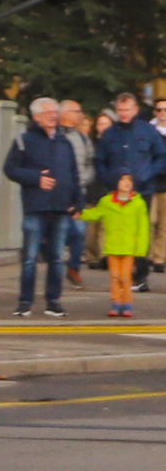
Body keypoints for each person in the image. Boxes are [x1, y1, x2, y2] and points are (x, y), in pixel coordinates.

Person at [5, 97, 79, 317]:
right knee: (30, 257)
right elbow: (10, 169)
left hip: (61, 207)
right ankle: (25, 302)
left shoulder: (64, 142)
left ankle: (53, 301)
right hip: (35, 207)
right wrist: (35, 178)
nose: (53, 117)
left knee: (57, 257)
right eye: (48, 113)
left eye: (55, 113)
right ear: (36, 117)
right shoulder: (24, 140)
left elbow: (74, 173)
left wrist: (77, 201)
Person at [97, 91, 166, 289]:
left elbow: (161, 156)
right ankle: (120, 275)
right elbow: (100, 160)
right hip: (116, 192)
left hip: (142, 190)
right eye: (120, 110)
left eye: (127, 110)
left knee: (140, 232)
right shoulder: (110, 134)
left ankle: (140, 276)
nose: (123, 114)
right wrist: (108, 179)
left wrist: (148, 174)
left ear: (135, 110)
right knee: (118, 232)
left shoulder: (148, 131)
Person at [86, 173, 150, 317]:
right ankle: (116, 302)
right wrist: (80, 213)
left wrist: (141, 248)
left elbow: (143, 228)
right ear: (116, 183)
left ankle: (127, 303)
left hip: (129, 247)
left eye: (129, 181)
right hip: (113, 246)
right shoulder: (107, 202)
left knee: (125, 276)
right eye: (122, 180)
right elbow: (95, 213)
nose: (126, 183)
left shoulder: (138, 203)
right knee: (115, 276)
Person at [60, 99, 98, 287]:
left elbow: (91, 162)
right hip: (58, 193)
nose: (80, 114)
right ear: (64, 113)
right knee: (58, 232)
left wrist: (83, 179)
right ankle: (56, 268)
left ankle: (73, 268)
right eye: (76, 111)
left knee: (78, 232)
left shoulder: (83, 138)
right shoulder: (55, 136)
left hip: (78, 193)